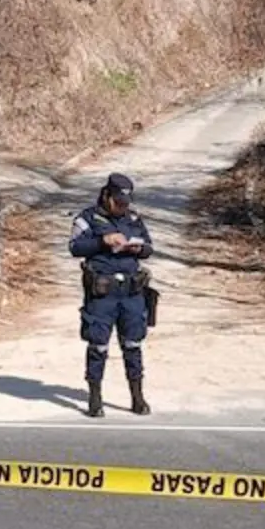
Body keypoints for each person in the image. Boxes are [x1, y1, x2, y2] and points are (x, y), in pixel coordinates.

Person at [69, 172, 156, 417]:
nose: (121, 207)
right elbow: (75, 247)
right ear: (106, 196)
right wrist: (102, 241)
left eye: (125, 203)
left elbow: (149, 247)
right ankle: (95, 398)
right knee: (98, 345)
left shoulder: (133, 218)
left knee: (133, 344)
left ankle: (137, 397)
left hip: (131, 293)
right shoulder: (87, 218)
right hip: (102, 294)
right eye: (117, 202)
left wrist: (139, 248)